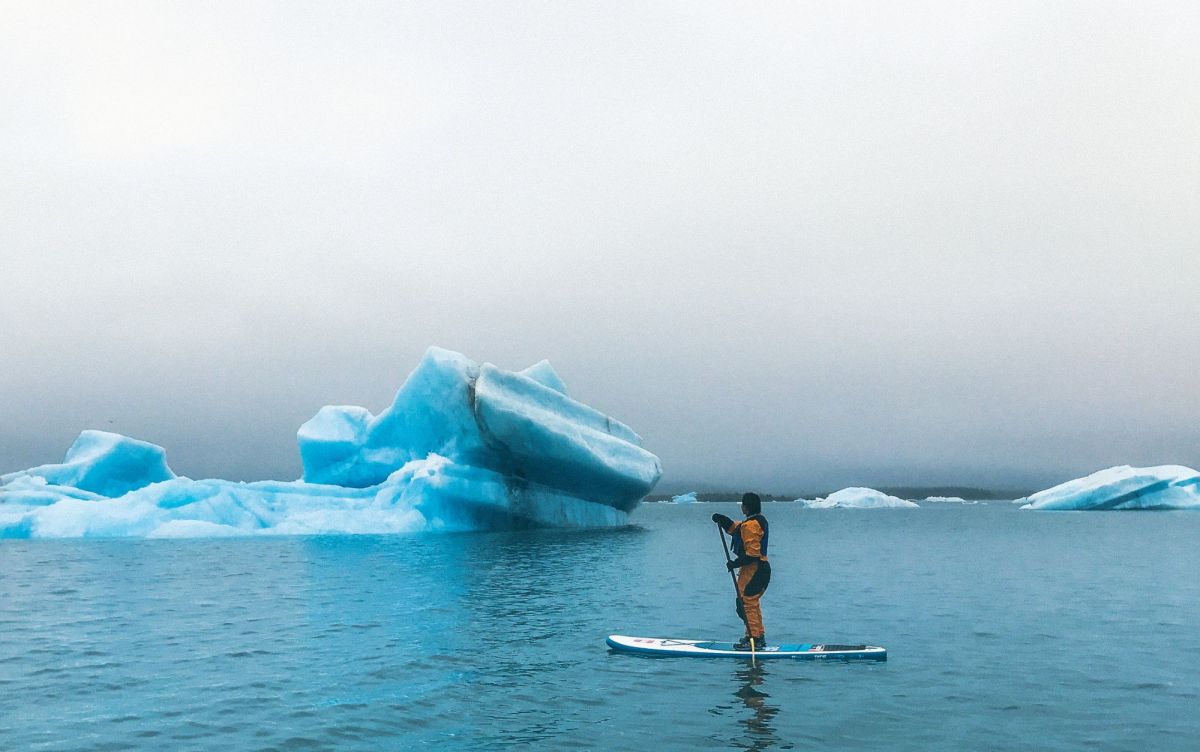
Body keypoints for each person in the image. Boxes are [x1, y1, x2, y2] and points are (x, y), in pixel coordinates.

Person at [712, 492, 771, 650]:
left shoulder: (751, 525)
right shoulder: (756, 521)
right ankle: (756, 635)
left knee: (746, 603)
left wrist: (734, 563)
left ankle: (754, 639)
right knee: (751, 603)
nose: (741, 507)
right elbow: (736, 528)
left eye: (743, 504)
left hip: (755, 569)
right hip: (757, 569)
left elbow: (752, 553)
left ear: (746, 506)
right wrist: (722, 519)